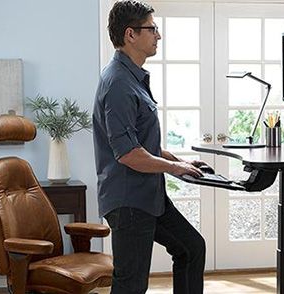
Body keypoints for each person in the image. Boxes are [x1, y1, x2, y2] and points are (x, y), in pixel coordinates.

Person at [92, 1, 206, 293]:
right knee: (130, 285)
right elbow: (129, 154)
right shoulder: (118, 83)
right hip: (129, 201)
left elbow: (142, 144)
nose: (158, 35)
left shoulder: (133, 78)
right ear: (131, 34)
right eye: (152, 29)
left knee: (191, 248)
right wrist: (174, 167)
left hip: (149, 196)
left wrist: (181, 163)